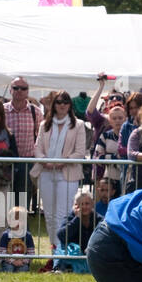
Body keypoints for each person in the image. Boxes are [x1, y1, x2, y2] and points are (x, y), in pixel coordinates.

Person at [32, 91, 87, 251]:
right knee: (49, 215)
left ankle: (62, 251)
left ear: (70, 105)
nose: (62, 105)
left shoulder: (78, 125)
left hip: (68, 173)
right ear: (54, 105)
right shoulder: (44, 125)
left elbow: (80, 152)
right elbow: (38, 148)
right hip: (46, 172)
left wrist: (62, 162)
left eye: (65, 102)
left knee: (62, 213)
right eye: (59, 102)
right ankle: (54, 249)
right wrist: (45, 161)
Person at [4, 76, 42, 209]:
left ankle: (21, 229)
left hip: (27, 162)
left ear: (28, 91)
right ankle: (6, 229)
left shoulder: (35, 112)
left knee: (22, 202)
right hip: (5, 163)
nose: (19, 91)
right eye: (16, 87)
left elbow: (40, 136)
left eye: (23, 88)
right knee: (4, 201)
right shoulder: (1, 111)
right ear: (10, 90)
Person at [90, 100, 127, 185]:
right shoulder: (105, 136)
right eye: (114, 118)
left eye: (120, 118)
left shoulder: (130, 135)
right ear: (110, 121)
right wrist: (115, 157)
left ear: (125, 119)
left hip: (127, 179)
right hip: (109, 181)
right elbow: (98, 157)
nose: (117, 121)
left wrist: (109, 158)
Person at [0, 204, 35, 272]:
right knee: (9, 269)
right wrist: (12, 261)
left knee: (23, 269)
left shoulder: (27, 235)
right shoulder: (5, 235)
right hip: (8, 261)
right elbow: (2, 251)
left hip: (23, 261)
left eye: (21, 220)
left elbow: (31, 252)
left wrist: (24, 261)